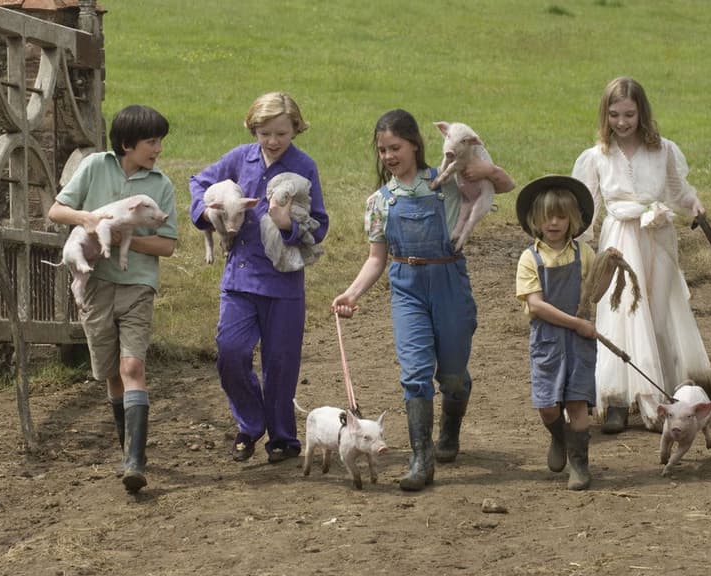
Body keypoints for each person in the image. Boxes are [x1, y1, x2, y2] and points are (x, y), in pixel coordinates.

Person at [331, 109, 514, 491]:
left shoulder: (447, 181)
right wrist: (351, 292)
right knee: (414, 375)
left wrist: (488, 171)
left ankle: (449, 431)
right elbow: (376, 258)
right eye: (382, 150)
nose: (388, 156)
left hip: (449, 280)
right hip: (406, 286)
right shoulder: (379, 201)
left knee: (451, 374)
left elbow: (505, 185)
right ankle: (421, 458)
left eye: (395, 147)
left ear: (415, 144)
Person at [189, 92, 329, 465]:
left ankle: (283, 437)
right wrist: (206, 212)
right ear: (253, 128)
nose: (272, 141)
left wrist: (289, 225)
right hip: (239, 279)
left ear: (296, 129)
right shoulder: (238, 158)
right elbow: (198, 183)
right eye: (264, 133)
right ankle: (250, 425)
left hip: (284, 284)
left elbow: (320, 225)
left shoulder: (305, 166)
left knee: (281, 364)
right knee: (231, 353)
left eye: (281, 133)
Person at [572, 76, 711, 434]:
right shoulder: (597, 157)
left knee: (656, 312)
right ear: (605, 115)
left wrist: (693, 204)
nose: (622, 122)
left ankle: (658, 395)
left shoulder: (662, 149)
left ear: (642, 113)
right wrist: (578, 239)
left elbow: (675, 189)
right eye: (615, 114)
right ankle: (618, 397)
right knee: (621, 312)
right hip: (621, 238)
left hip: (657, 236)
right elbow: (587, 204)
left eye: (629, 115)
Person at [48, 105, 178, 493]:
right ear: (127, 144)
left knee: (133, 366)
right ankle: (127, 448)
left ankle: (136, 461)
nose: (157, 149)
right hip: (96, 285)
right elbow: (56, 210)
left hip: (138, 284)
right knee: (110, 374)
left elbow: (168, 246)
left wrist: (129, 241)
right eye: (151, 142)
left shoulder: (161, 185)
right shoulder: (95, 168)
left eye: (159, 142)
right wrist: (87, 220)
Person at [514, 175, 601, 490]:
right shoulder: (529, 258)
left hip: (579, 344)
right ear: (535, 219)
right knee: (548, 406)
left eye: (561, 216)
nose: (553, 222)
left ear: (573, 220)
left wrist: (610, 268)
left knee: (577, 403)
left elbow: (594, 294)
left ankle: (579, 465)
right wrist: (576, 323)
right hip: (548, 342)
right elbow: (536, 306)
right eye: (547, 216)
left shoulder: (584, 254)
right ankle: (559, 438)